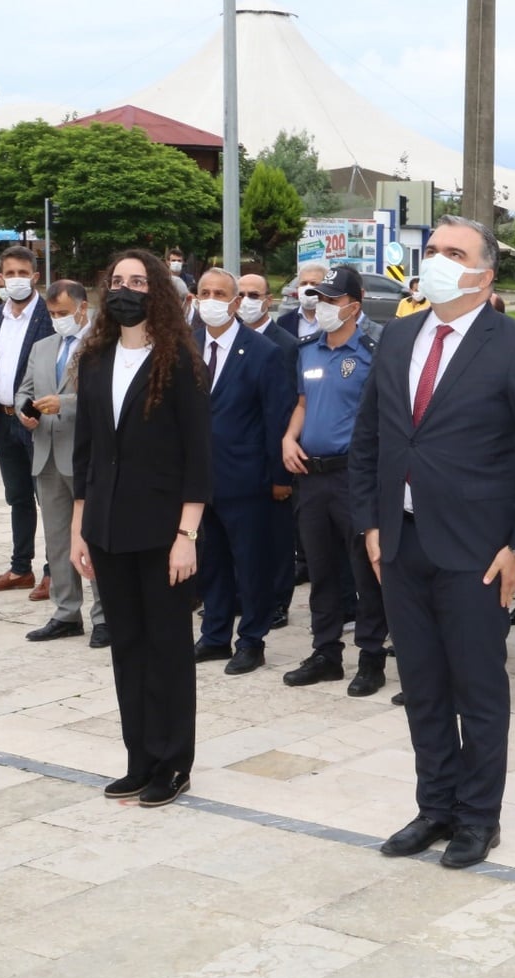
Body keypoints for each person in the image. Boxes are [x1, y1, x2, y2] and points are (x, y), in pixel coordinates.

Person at [351, 215, 515, 869]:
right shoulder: (397, 338)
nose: (438, 260)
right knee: (421, 684)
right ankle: (436, 806)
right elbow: (369, 439)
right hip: (400, 540)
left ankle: (479, 818)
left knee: (478, 690)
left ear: (483, 272)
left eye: (454, 252)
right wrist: (369, 520)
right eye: (432, 250)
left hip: (478, 552)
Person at [70, 249, 211, 809]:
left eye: (138, 281)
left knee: (167, 648)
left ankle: (174, 762)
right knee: (126, 646)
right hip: (106, 527)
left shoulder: (178, 363)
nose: (126, 289)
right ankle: (140, 758)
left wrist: (187, 535)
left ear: (158, 291)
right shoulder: (97, 356)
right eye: (117, 281)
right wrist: (80, 527)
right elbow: (86, 451)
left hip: (163, 531)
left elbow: (199, 458)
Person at [281, 265, 390, 696]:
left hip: (354, 476)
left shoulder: (371, 349)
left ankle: (371, 656)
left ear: (354, 306)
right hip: (312, 475)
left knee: (364, 570)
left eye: (332, 300)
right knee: (321, 570)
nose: (322, 307)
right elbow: (304, 404)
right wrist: (289, 438)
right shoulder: (308, 349)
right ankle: (326, 652)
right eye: (319, 299)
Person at [190, 267, 293, 677]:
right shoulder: (187, 344)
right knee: (210, 561)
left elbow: (276, 417)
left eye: (221, 293)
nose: (212, 300)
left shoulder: (264, 351)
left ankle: (252, 639)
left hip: (248, 479)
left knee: (251, 566)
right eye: (205, 292)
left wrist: (280, 479)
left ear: (236, 302)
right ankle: (215, 635)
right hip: (199, 480)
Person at [15, 280, 108, 648]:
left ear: (83, 309)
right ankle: (66, 612)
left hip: (85, 456)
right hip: (46, 453)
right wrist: (25, 411)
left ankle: (105, 615)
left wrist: (65, 404)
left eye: (64, 314)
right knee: (57, 540)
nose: (58, 320)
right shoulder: (42, 346)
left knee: (94, 540)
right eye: (52, 314)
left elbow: (106, 399)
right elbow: (24, 389)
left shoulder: (102, 346)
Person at [0, 246, 55, 598]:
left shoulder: (49, 315)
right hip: (3, 418)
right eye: (10, 273)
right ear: (0, 277)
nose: (16, 279)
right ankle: (20, 568)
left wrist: (36, 414)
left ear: (35, 276)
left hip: (35, 421)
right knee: (18, 497)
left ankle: (55, 571)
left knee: (49, 499)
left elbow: (60, 373)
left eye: (23, 273)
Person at [236, 272, 298, 631]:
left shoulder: (284, 345)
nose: (246, 300)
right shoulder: (227, 339)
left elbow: (285, 408)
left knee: (276, 537)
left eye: (253, 294)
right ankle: (241, 596)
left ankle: (278, 600)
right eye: (241, 294)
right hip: (235, 458)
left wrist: (281, 472)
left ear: (268, 299)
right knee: (242, 538)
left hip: (269, 456)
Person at [276, 263, 327, 339]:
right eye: (303, 283)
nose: (307, 288)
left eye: (314, 284)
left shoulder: (334, 319)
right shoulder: (283, 321)